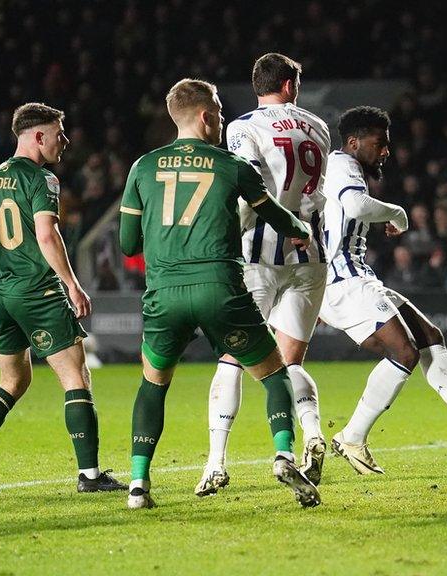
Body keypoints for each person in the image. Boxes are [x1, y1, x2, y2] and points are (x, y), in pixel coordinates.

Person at [119, 79, 319, 509]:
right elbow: (277, 218)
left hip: (165, 293)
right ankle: (284, 454)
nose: (223, 120)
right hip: (221, 289)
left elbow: (127, 245)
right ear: (207, 117)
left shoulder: (142, 167)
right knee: (274, 374)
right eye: (220, 114)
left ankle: (138, 485)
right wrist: (302, 229)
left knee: (153, 385)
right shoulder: (232, 166)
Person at [318, 106, 447, 475]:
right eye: (378, 144)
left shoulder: (343, 167)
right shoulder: (342, 165)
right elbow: (353, 204)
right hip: (342, 282)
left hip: (357, 276)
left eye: (387, 144)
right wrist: (397, 212)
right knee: (403, 352)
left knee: (430, 336)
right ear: (353, 143)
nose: (385, 151)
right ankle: (351, 436)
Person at [0, 103, 125, 494]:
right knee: (76, 377)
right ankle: (89, 475)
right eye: (59, 133)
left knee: (13, 379)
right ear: (38, 136)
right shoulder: (42, 179)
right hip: (36, 292)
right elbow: (46, 236)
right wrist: (72, 283)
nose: (65, 141)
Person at [196, 53, 331, 497]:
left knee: (232, 358)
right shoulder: (318, 126)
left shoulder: (242, 127)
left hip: (257, 258)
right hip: (309, 256)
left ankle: (215, 463)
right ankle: (313, 436)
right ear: (290, 85)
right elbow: (317, 194)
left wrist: (219, 241)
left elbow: (248, 191)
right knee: (291, 361)